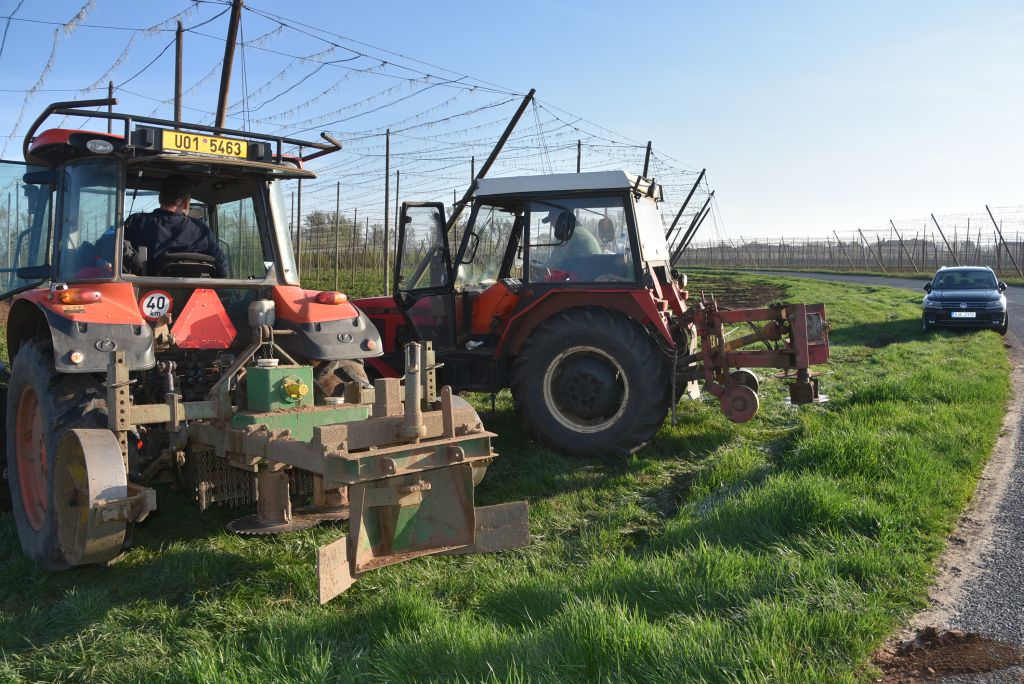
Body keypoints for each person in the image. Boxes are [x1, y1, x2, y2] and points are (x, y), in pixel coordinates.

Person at [124, 174, 230, 277]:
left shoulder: (136, 222)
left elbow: (113, 251)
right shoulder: (201, 230)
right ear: (186, 203)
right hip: (196, 293)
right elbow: (223, 270)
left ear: (160, 198)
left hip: (145, 293)